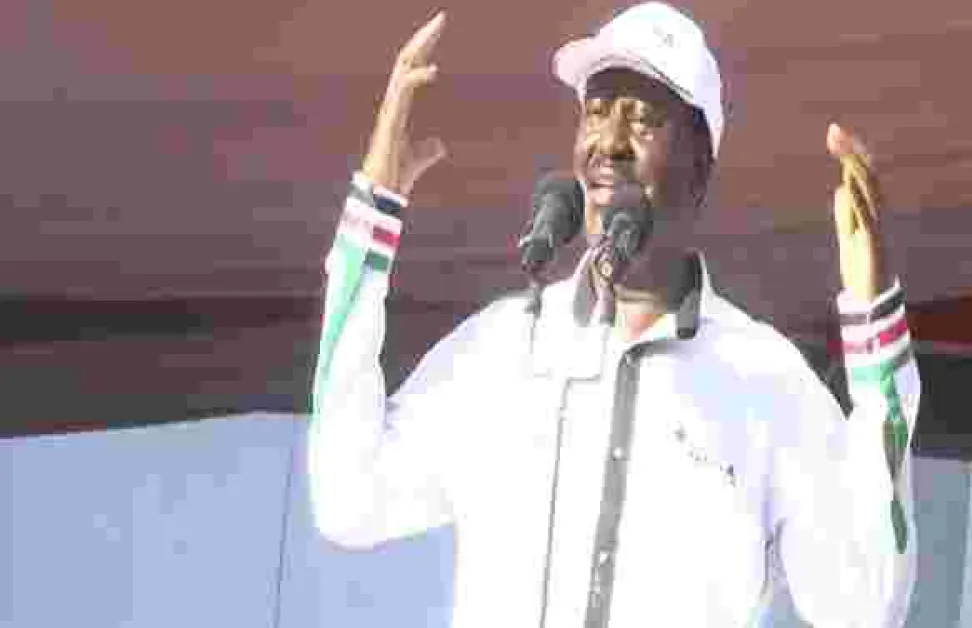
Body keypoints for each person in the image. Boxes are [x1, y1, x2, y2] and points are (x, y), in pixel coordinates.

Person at [307, 3, 922, 627]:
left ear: (700, 168)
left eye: (644, 120)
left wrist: (876, 333)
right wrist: (372, 219)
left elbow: (865, 608)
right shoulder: (499, 347)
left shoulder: (766, 379)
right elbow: (348, 498)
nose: (609, 143)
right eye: (596, 112)